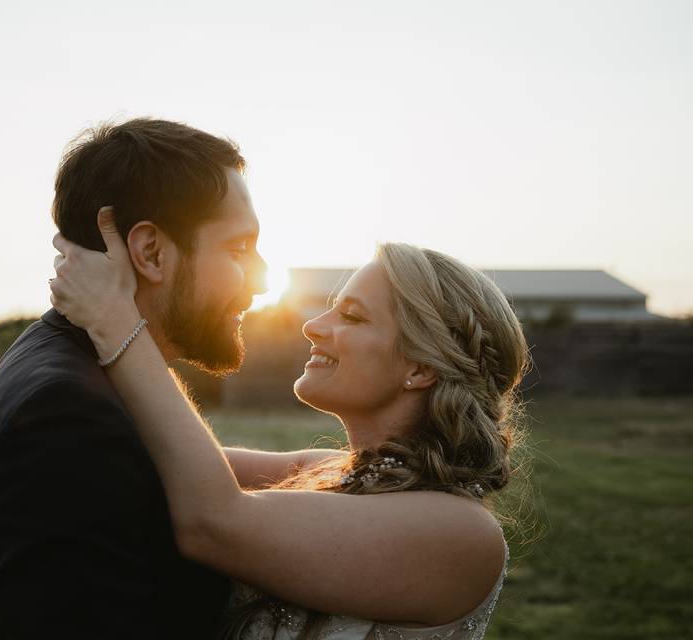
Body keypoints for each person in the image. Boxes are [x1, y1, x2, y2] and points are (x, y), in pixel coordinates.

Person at [48, 213, 529, 640]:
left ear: (421, 368)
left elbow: (211, 521)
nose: (313, 325)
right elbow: (162, 457)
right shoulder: (330, 472)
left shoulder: (463, 536)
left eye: (353, 316)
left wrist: (116, 320)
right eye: (331, 305)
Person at [0, 118, 271, 639]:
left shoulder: (70, 365)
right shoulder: (66, 417)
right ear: (151, 252)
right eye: (239, 249)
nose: (263, 277)